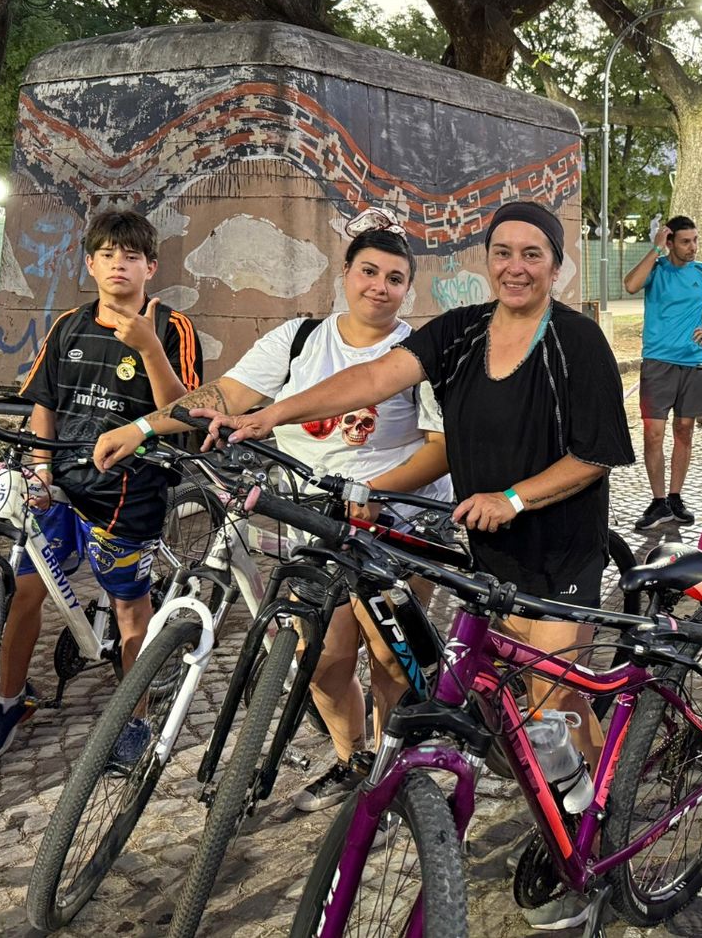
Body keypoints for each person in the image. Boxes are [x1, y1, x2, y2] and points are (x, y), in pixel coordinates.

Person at [171, 200, 633, 932]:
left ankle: (600, 844)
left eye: (533, 254)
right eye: (504, 252)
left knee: (556, 705)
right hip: (486, 559)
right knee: (510, 719)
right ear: (488, 260)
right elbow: (372, 378)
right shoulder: (460, 332)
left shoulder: (575, 342)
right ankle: (554, 805)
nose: (516, 265)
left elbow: (595, 455)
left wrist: (514, 496)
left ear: (555, 264)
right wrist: (272, 415)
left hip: (558, 552)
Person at [94, 210, 452, 812]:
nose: (379, 287)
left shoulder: (419, 353)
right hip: (314, 519)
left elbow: (441, 452)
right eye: (369, 271)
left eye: (395, 278)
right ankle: (354, 760)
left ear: (407, 289)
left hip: (399, 522)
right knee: (324, 662)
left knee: (391, 660)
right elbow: (226, 395)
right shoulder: (300, 339)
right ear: (346, 273)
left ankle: (391, 789)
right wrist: (142, 428)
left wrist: (371, 495)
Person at [0, 209, 202, 766]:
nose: (118, 265)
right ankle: (9, 701)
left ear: (151, 267)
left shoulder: (171, 328)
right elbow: (44, 405)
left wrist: (148, 346)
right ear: (90, 264)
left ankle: (137, 717)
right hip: (60, 487)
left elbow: (187, 414)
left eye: (131, 256)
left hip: (128, 494)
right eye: (107, 255)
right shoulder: (69, 326)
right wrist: (40, 468)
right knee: (26, 594)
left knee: (132, 616)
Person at [623, 215, 702, 531]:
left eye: (696, 240)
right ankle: (658, 501)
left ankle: (675, 497)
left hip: (694, 361)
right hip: (657, 362)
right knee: (653, 433)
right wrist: (654, 250)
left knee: (685, 430)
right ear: (670, 242)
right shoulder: (656, 269)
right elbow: (630, 285)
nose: (693, 247)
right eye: (686, 241)